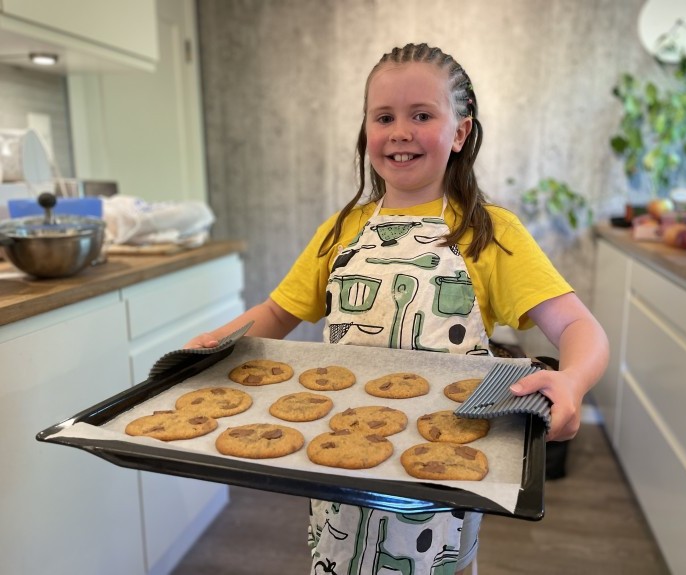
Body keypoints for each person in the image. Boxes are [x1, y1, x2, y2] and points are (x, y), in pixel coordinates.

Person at [186, 42, 609, 575]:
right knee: (340, 554)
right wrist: (216, 340)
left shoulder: (490, 233)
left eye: (422, 115)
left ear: (459, 132)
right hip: (339, 454)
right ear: (366, 133)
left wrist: (571, 382)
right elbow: (276, 311)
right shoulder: (342, 230)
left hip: (442, 467)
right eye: (384, 116)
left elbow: (577, 325)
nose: (400, 131)